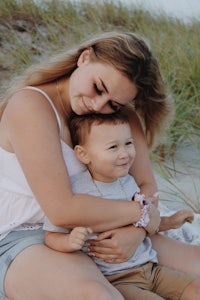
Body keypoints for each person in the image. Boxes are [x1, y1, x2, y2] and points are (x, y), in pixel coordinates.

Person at [0, 30, 199, 300]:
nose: (97, 104)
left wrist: (136, 232)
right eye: (98, 87)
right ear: (84, 58)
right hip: (30, 237)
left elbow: (145, 185)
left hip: (112, 228)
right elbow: (62, 210)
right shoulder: (31, 105)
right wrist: (141, 215)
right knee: (96, 295)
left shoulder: (118, 115)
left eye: (113, 103)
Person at [44, 111, 198, 300]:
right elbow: (51, 235)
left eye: (128, 143)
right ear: (83, 154)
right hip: (118, 279)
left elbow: (146, 221)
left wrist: (170, 221)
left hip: (150, 267)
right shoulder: (78, 192)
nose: (125, 154)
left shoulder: (128, 183)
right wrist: (69, 242)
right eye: (113, 147)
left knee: (195, 288)